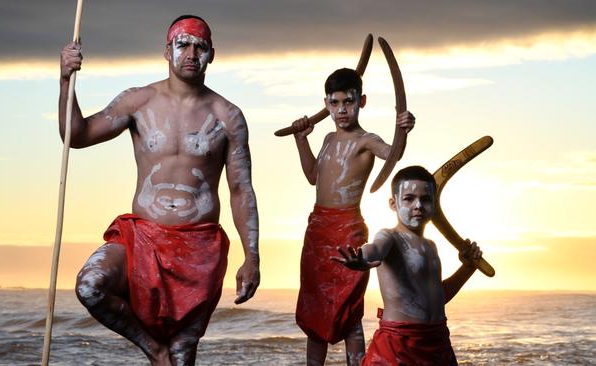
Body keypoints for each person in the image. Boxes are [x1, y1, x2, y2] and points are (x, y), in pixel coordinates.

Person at [58, 15, 260, 366]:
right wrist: (65, 80)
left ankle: (167, 353)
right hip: (143, 238)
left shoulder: (228, 116)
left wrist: (252, 256)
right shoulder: (138, 101)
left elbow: (241, 190)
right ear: (167, 51)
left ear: (212, 54)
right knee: (90, 285)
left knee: (182, 356)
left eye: (201, 46)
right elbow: (76, 136)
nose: (191, 53)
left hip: (199, 249)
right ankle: (153, 349)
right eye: (183, 44)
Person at [290, 68, 415, 366]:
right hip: (318, 228)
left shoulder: (366, 140)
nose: (342, 110)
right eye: (335, 103)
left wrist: (404, 129)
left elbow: (393, 154)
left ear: (362, 101)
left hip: (348, 227)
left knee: (349, 304)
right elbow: (311, 176)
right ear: (326, 104)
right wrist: (301, 139)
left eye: (348, 101)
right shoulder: (328, 139)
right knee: (315, 305)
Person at [332, 165, 484, 365]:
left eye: (426, 199)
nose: (418, 205)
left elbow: (437, 296)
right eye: (409, 198)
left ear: (435, 205)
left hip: (437, 343)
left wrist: (467, 268)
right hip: (399, 345)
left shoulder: (431, 247)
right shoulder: (390, 237)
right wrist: (361, 259)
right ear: (393, 204)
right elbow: (374, 249)